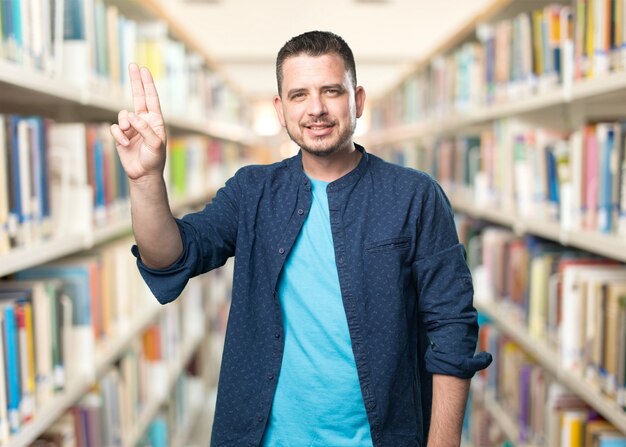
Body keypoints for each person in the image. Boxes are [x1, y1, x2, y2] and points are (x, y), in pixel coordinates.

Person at [110, 31, 491, 447]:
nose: (316, 109)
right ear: (280, 108)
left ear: (358, 100)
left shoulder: (413, 195)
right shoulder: (252, 192)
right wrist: (146, 179)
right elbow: (170, 256)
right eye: (298, 95)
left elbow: (452, 327)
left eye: (331, 91)